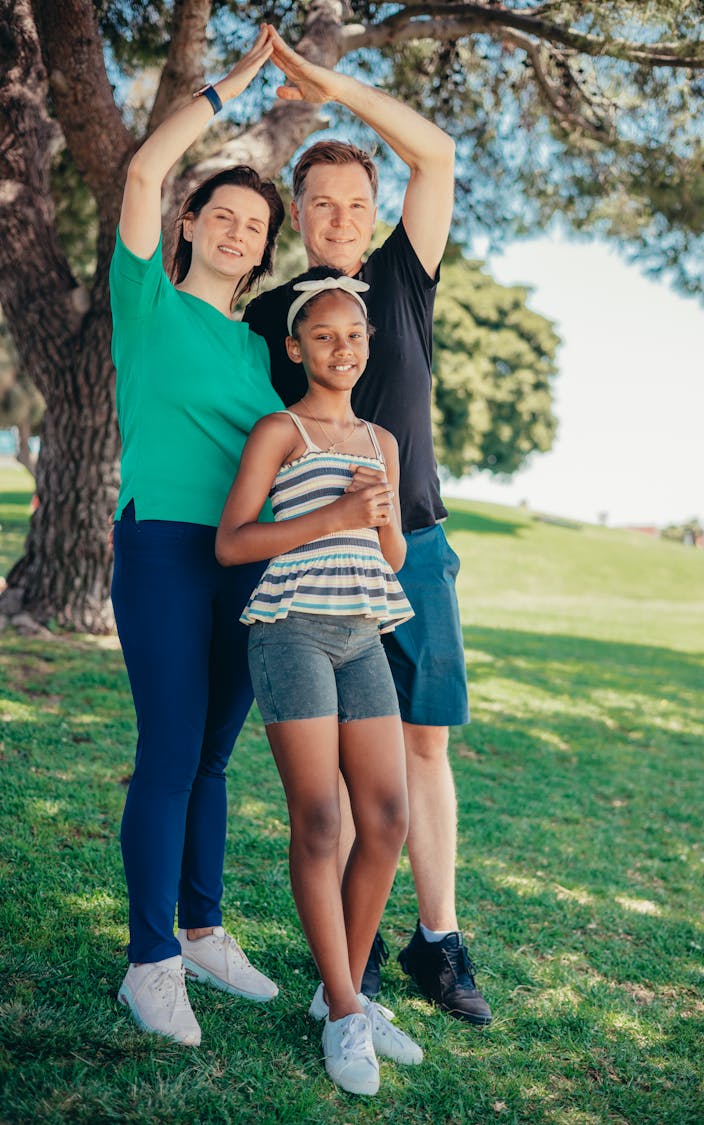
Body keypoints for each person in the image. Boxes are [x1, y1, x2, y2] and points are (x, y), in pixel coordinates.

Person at [243, 28, 492, 1026]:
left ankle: (438, 943)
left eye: (357, 202)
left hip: (415, 554)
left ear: (376, 212)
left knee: (423, 752)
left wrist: (329, 86)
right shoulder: (266, 319)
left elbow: (437, 155)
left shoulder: (402, 278)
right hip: (316, 569)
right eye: (322, 203)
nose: (341, 218)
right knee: (347, 773)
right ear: (297, 216)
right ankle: (355, 956)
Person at [110, 28, 285, 1046]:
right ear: (189, 224)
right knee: (171, 748)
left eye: (254, 225)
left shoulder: (259, 356)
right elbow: (140, 165)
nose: (237, 231)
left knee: (215, 754)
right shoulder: (148, 301)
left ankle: (203, 927)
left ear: (265, 248)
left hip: (246, 562)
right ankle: (150, 963)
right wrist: (231, 85)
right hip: (167, 547)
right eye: (222, 213)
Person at [216, 271, 424, 1095]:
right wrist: (333, 515)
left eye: (356, 336)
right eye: (326, 336)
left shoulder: (383, 441)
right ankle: (344, 1007)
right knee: (321, 817)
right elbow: (234, 542)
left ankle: (345, 991)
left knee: (388, 817)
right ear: (297, 348)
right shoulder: (281, 430)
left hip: (362, 633)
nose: (344, 347)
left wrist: (373, 516)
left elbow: (395, 556)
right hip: (291, 629)